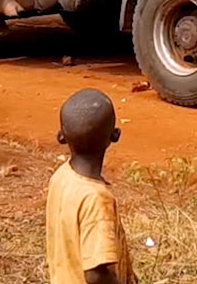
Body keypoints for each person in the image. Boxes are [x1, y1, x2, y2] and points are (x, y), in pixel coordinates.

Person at [45, 89, 134, 284]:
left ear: (61, 136)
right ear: (115, 135)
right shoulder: (97, 199)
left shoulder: (61, 177)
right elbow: (95, 274)